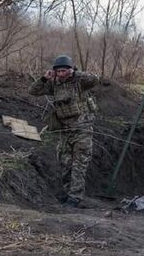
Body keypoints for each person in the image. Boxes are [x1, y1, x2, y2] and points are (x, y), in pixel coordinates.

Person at [29, 55, 99, 207]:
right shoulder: (54, 84)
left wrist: (76, 73)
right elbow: (33, 91)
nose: (61, 74)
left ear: (70, 70)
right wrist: (44, 78)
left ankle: (75, 198)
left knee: (79, 164)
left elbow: (95, 79)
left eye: (64, 71)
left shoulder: (79, 81)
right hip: (65, 131)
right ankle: (68, 194)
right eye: (58, 71)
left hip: (82, 129)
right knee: (65, 163)